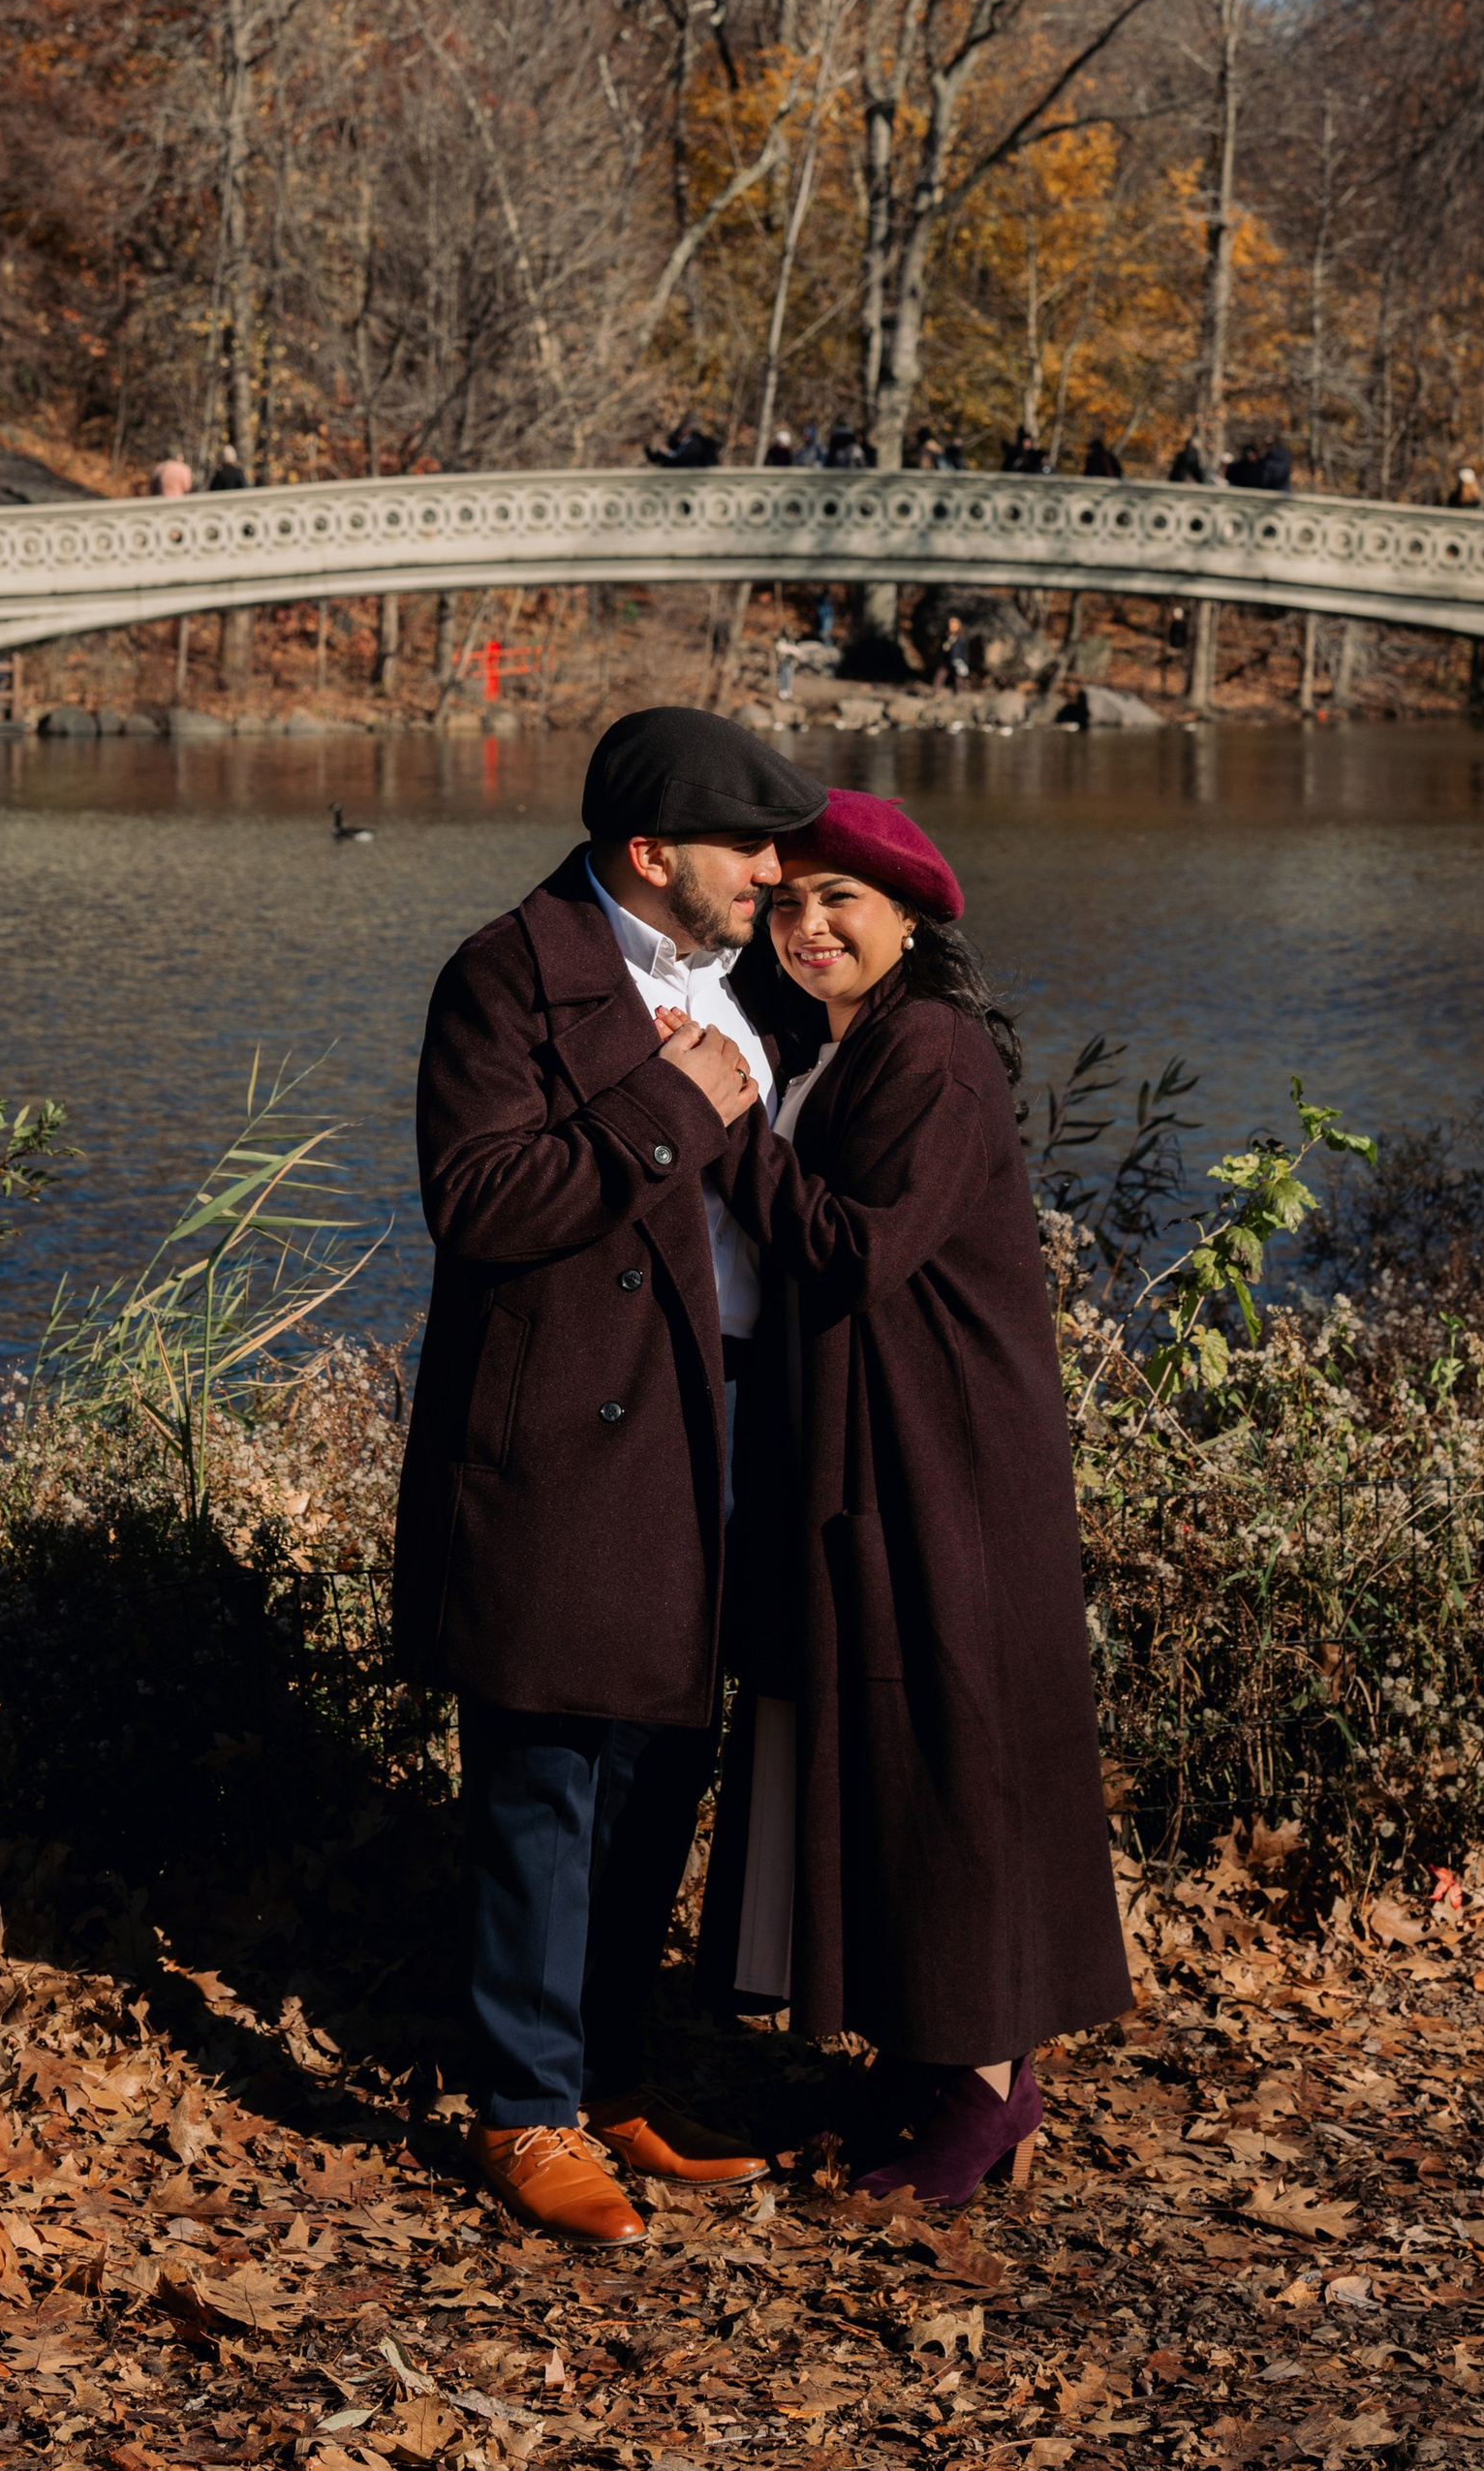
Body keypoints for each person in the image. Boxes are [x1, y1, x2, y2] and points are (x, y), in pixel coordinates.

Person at [393, 706, 828, 2244]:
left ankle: (614, 2075)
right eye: (748, 847)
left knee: (662, 1766)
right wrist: (667, 1109)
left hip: (726, 1421)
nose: (777, 872)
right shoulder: (505, 973)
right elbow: (479, 1200)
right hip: (571, 1434)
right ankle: (522, 2111)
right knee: (546, 1776)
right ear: (652, 855)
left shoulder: (754, 975)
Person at [697, 792, 1130, 2208]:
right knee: (890, 1737)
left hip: (948, 1459)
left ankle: (992, 2082)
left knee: (955, 1746)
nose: (808, 926)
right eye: (787, 903)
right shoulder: (846, 1051)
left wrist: (721, 1134)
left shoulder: (929, 1053)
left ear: (911, 920)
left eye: (841, 902)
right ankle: (923, 2052)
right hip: (885, 1445)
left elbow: (859, 1250)